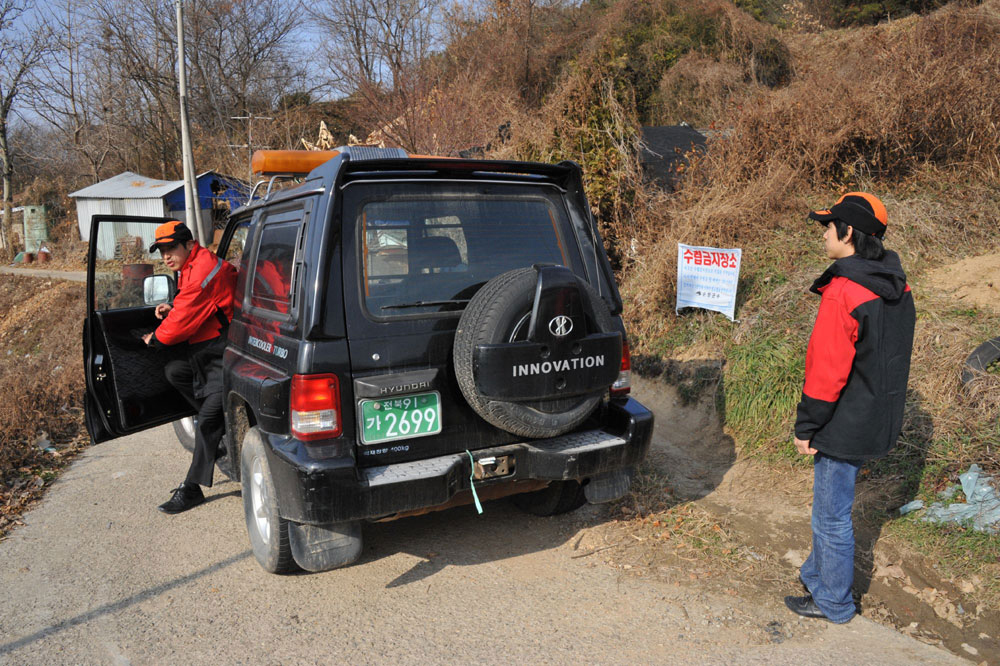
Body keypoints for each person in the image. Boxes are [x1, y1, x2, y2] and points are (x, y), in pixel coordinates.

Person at [784, 193, 915, 624]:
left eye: (829, 226)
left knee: (831, 516)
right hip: (877, 416)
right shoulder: (897, 284)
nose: (824, 234)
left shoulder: (844, 290)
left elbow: (827, 370)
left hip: (843, 421)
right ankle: (815, 574)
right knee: (833, 509)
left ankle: (834, 602)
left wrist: (807, 426)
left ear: (848, 233)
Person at [141, 220, 238, 514]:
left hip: (229, 352)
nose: (166, 256)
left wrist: (155, 338)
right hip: (208, 351)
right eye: (161, 251)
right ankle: (219, 432)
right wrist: (173, 307)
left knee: (207, 419)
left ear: (189, 244)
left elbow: (180, 323)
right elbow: (196, 305)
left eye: (171, 248)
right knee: (175, 372)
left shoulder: (201, 270)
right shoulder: (191, 267)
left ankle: (192, 488)